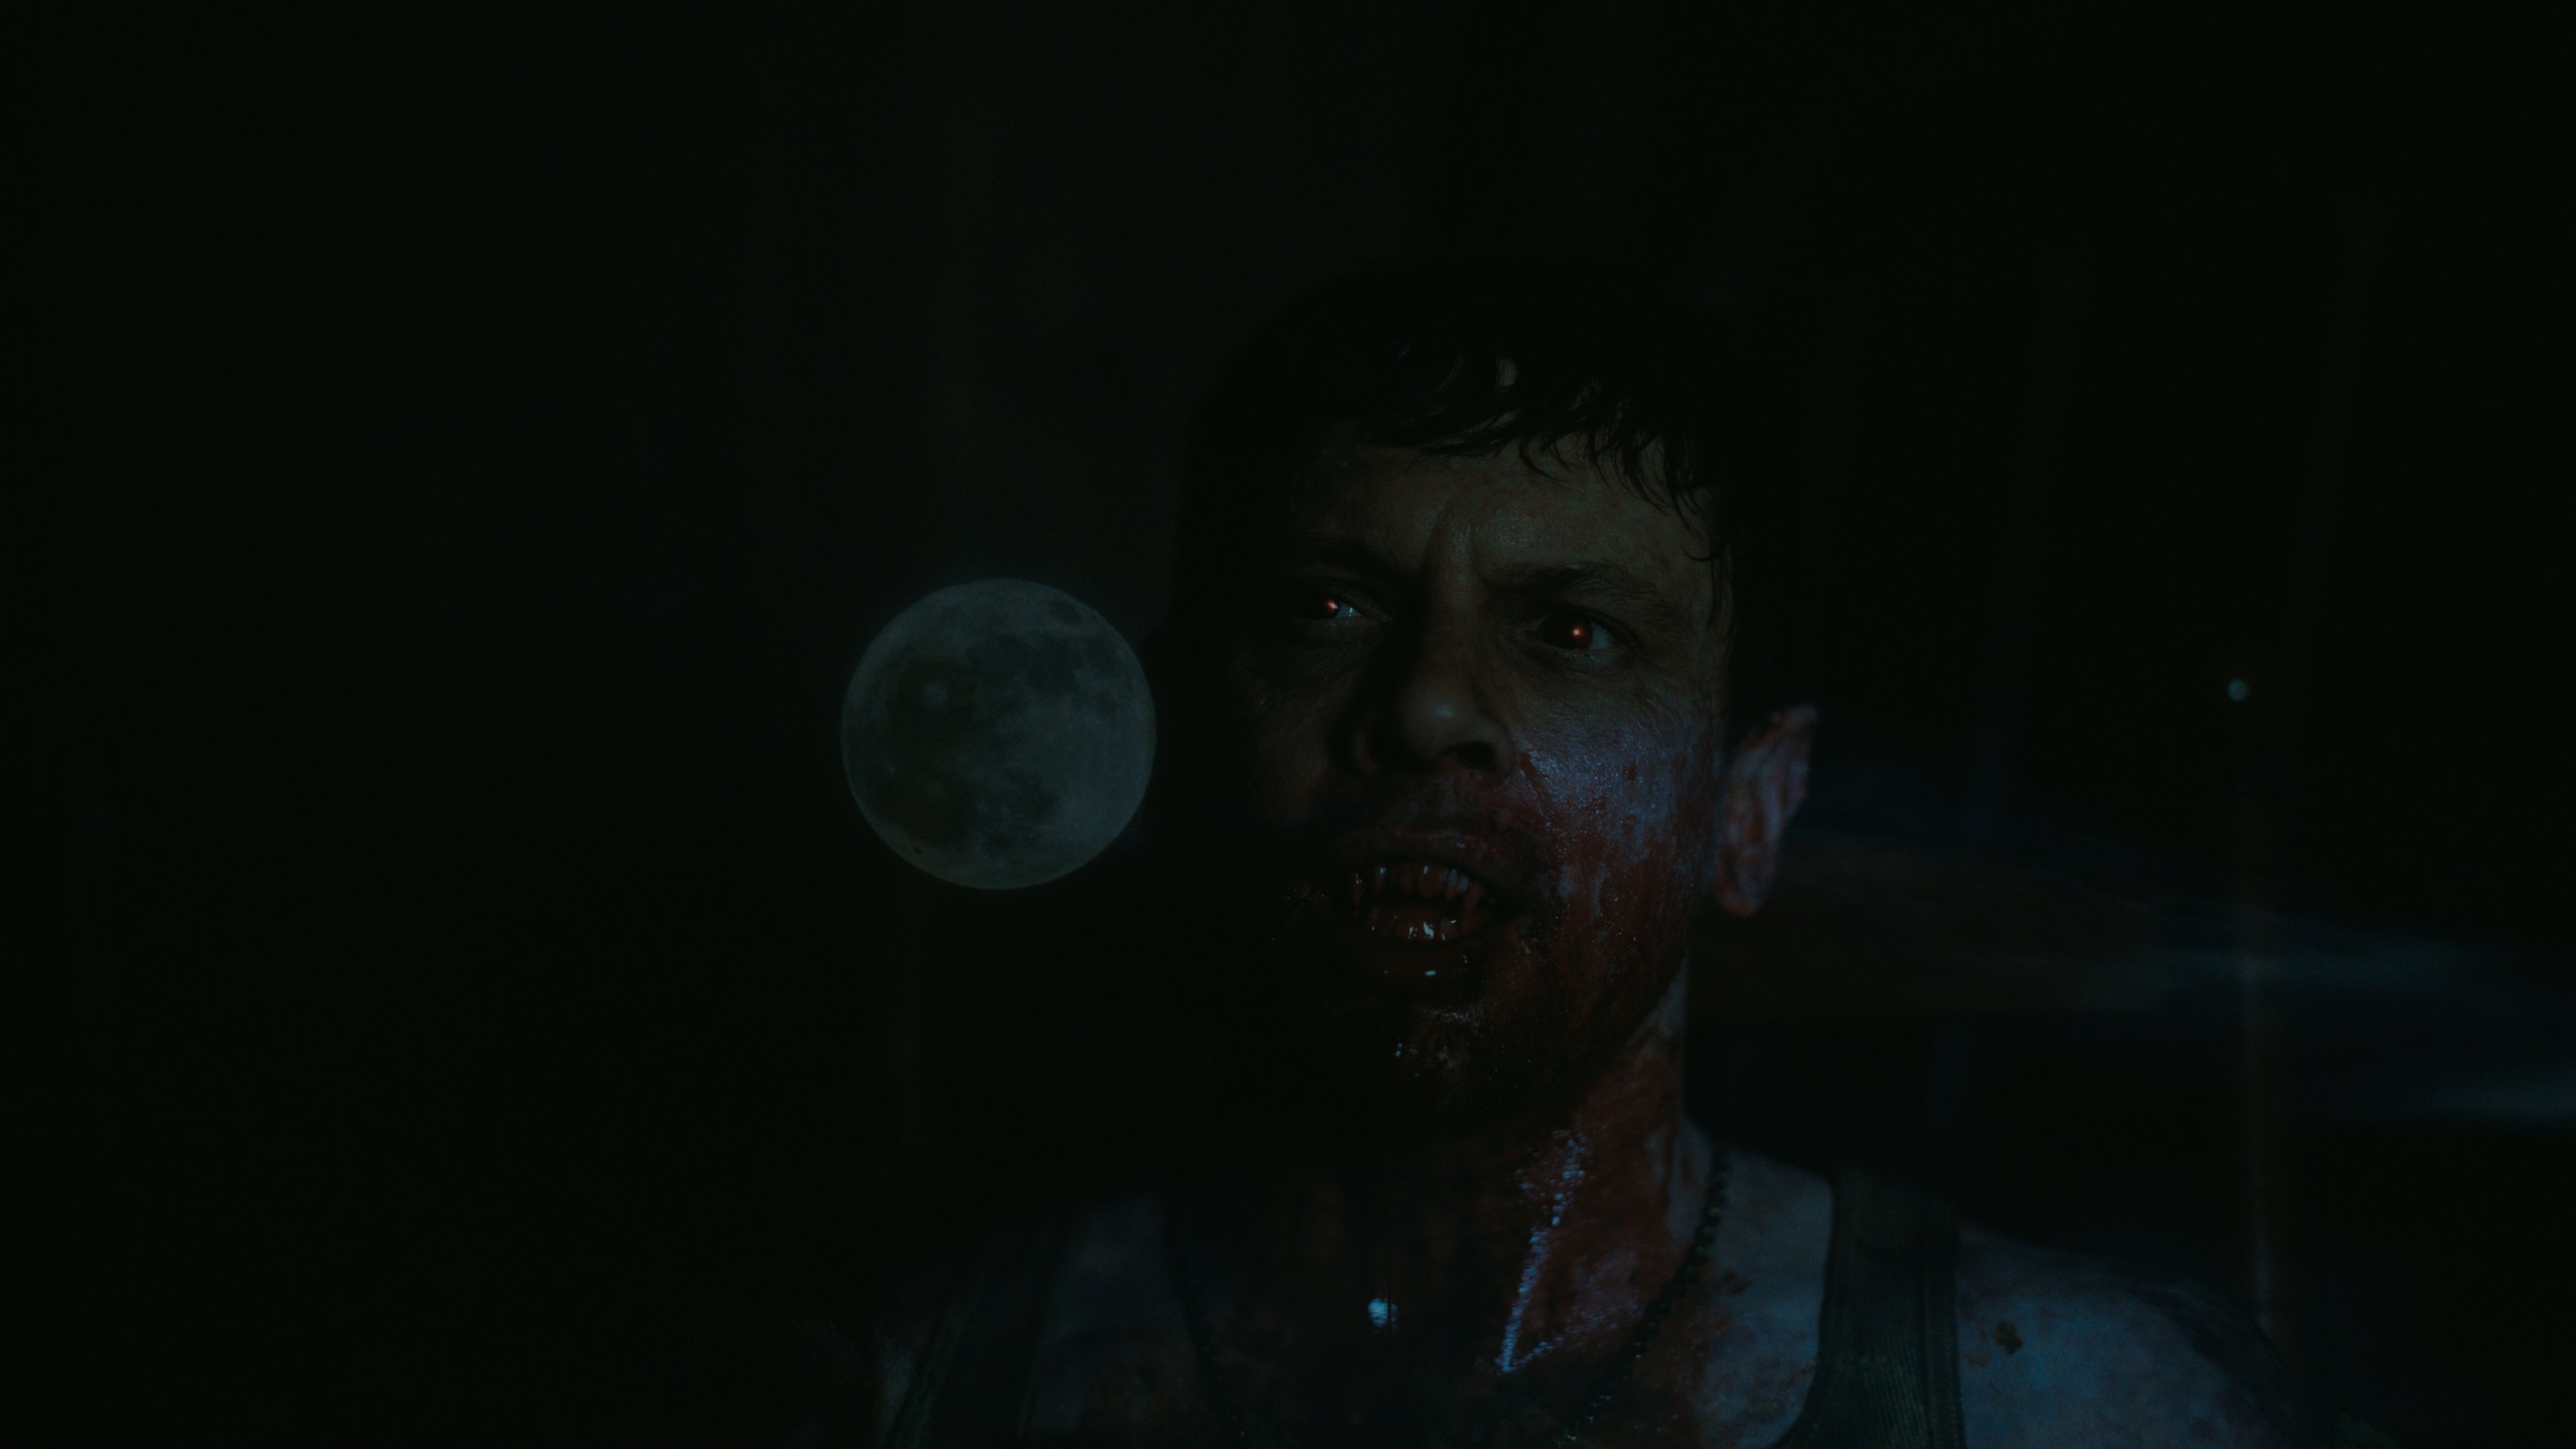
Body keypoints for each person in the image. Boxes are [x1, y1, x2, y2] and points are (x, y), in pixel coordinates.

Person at [771, 265, 2313, 1447]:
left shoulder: (2067, 1404)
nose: (1426, 704)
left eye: (1572, 632)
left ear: (1750, 806)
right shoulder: (914, 1393)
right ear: (1186, 740)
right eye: (1328, 608)